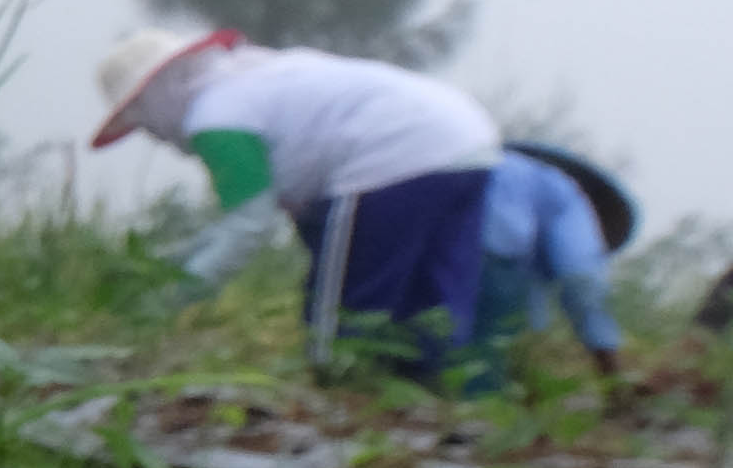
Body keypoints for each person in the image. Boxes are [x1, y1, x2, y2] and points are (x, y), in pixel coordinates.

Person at [89, 29, 502, 384]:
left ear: (155, 94)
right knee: (430, 304)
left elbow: (249, 225)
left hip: (392, 157)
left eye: (139, 118)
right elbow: (250, 217)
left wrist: (170, 301)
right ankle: (432, 401)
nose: (151, 134)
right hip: (468, 143)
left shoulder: (217, 115)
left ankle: (337, 399)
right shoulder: (256, 79)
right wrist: (167, 263)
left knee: (343, 314)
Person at [468, 142, 633, 384]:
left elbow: (534, 295)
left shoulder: (506, 170)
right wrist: (612, 373)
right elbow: (581, 280)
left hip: (435, 227)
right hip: (493, 247)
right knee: (482, 370)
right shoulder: (570, 197)